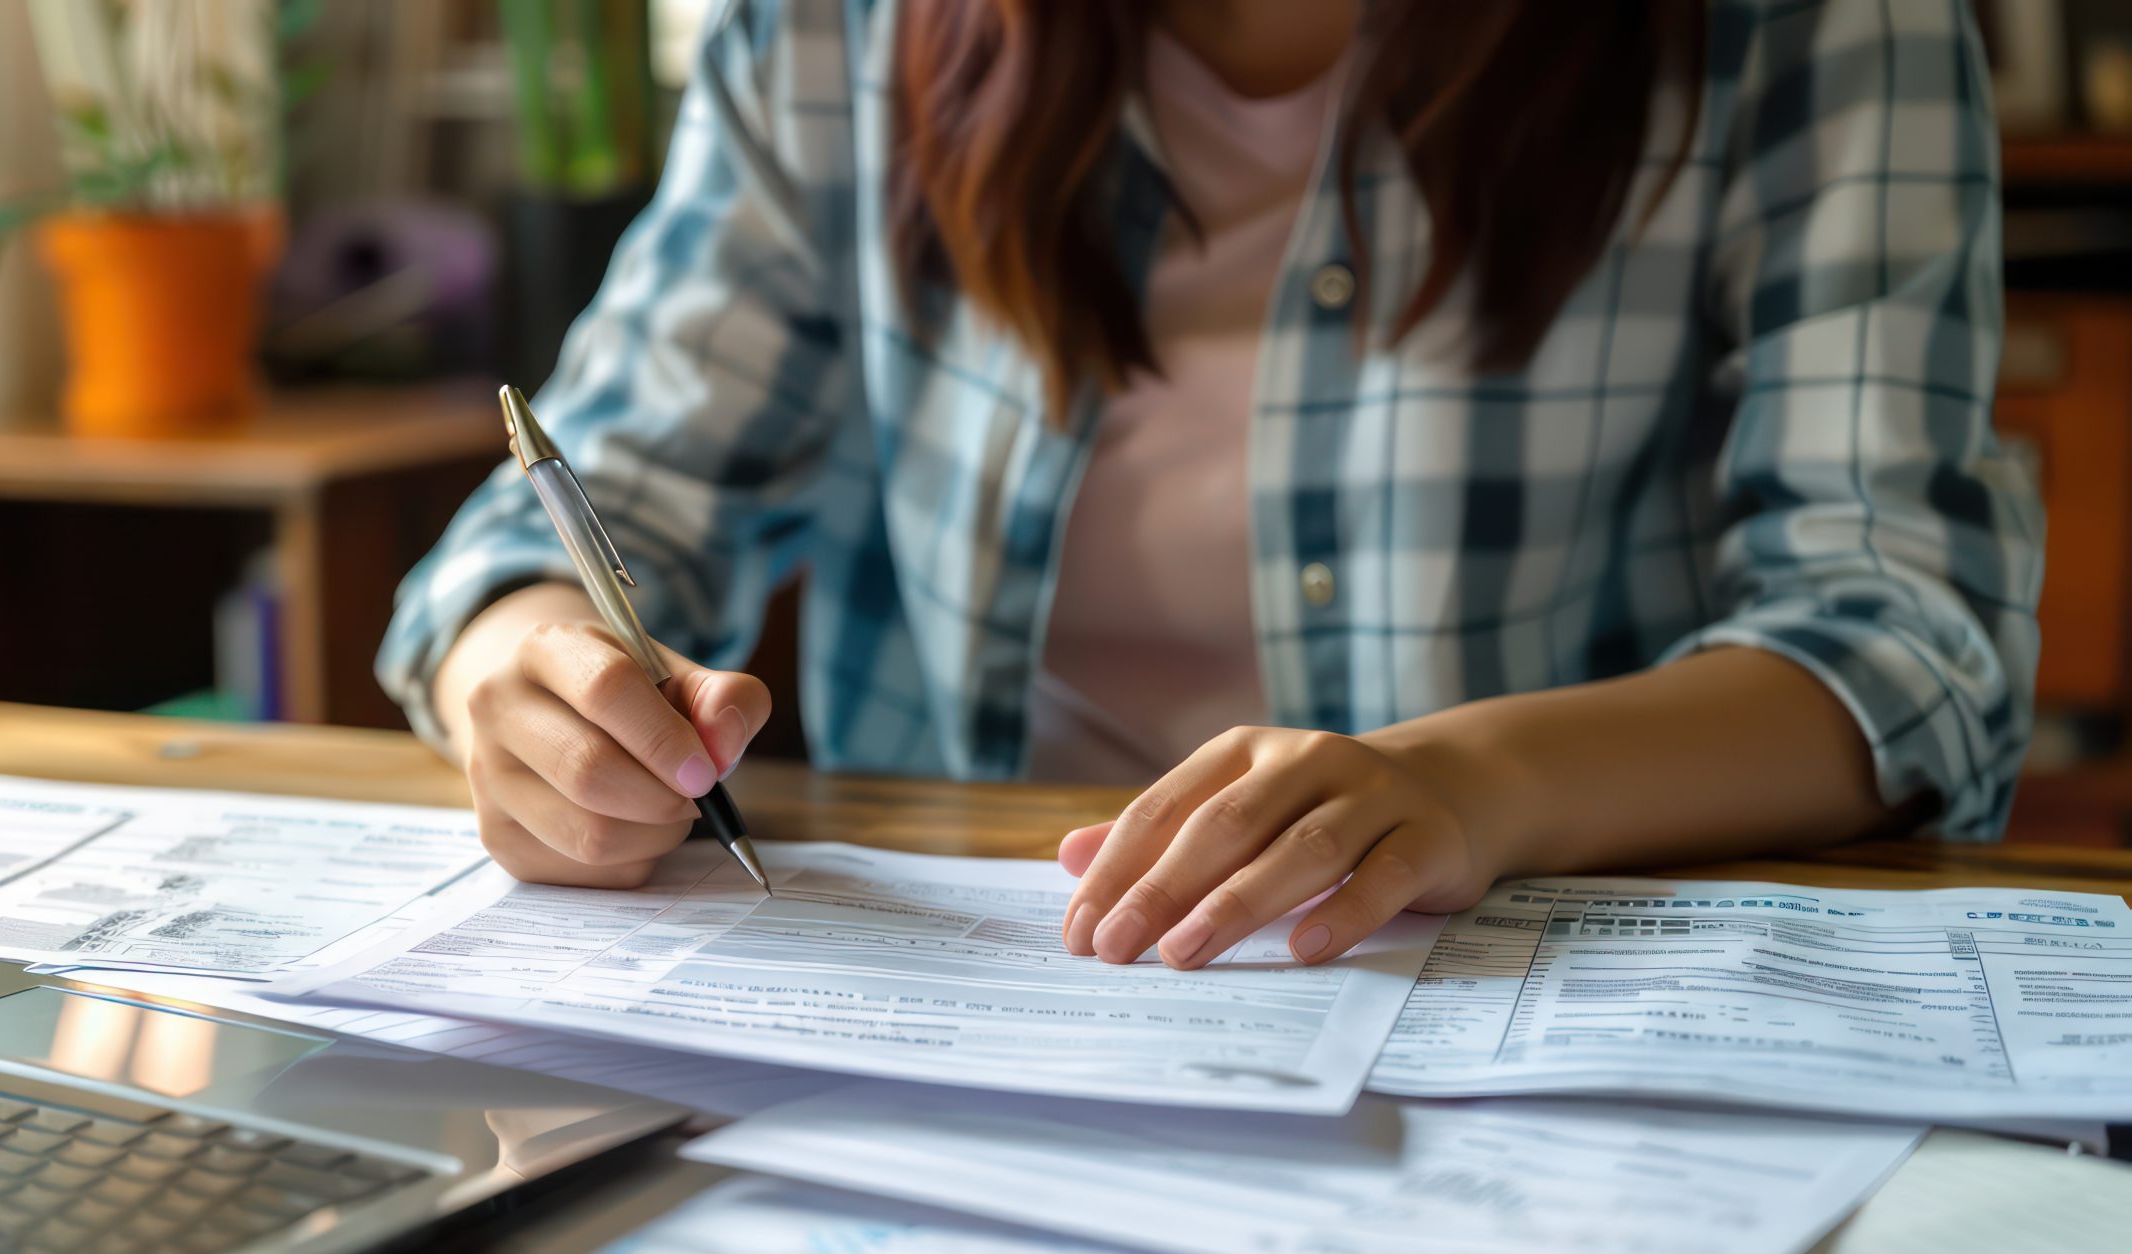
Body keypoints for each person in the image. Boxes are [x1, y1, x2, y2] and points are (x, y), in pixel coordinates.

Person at [382, 0, 2039, 973]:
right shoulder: (833, 34)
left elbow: (1907, 644)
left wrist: (1472, 786)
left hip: (1522, 981)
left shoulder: (1814, 31)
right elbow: (592, 514)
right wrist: (523, 675)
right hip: (977, 994)